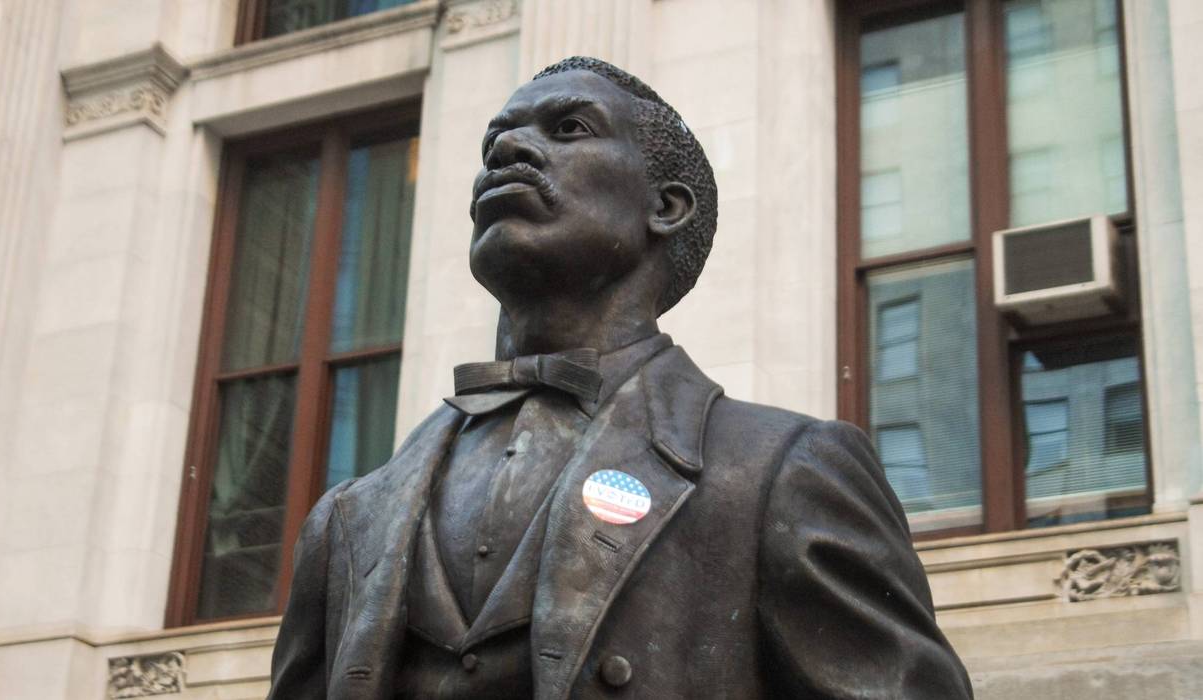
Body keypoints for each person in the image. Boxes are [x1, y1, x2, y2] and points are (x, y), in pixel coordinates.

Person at [268, 56, 973, 699]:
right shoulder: (348, 521)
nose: (508, 152)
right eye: (494, 144)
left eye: (569, 128)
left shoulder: (780, 471)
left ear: (665, 207)